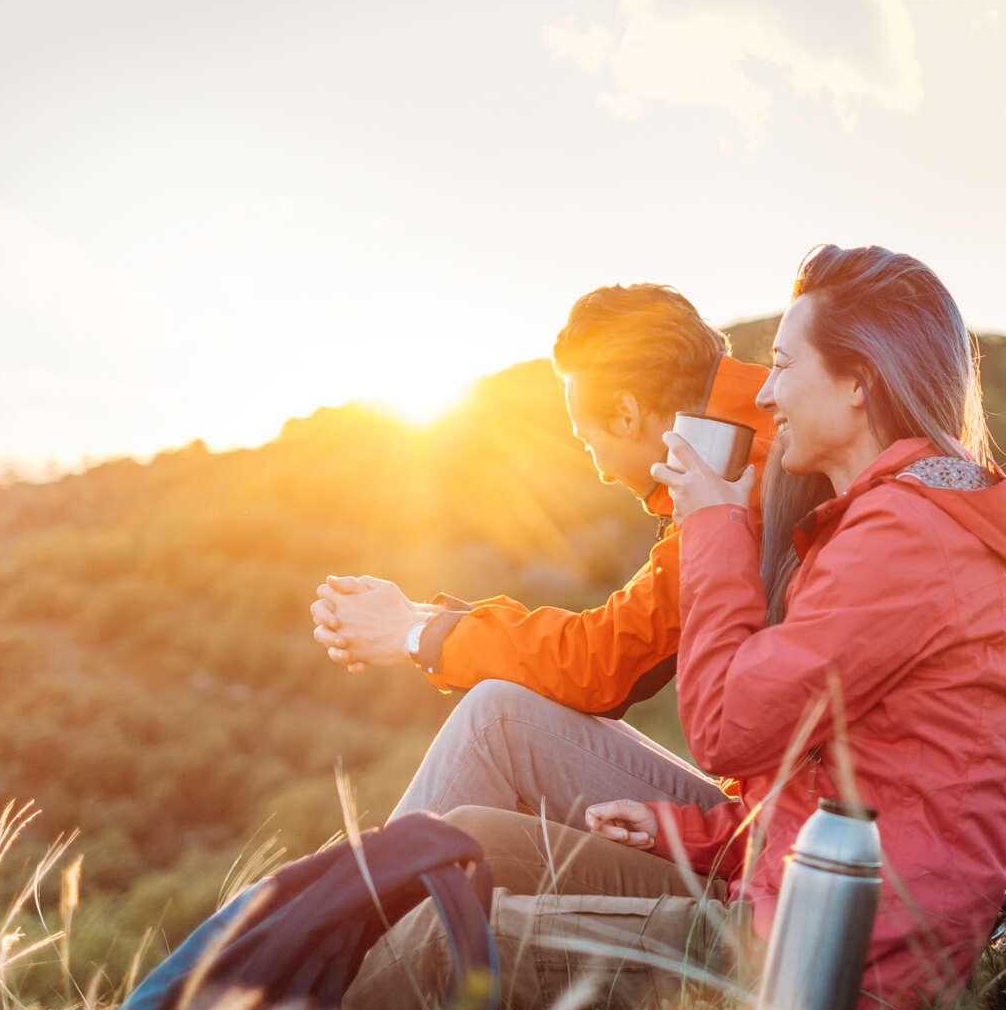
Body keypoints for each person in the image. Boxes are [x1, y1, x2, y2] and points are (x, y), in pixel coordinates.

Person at [333, 245, 1006, 1010]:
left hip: (822, 969)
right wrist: (677, 831)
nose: (764, 392)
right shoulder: (886, 514)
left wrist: (713, 525)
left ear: (860, 382)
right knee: (463, 845)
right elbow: (838, 779)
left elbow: (724, 724)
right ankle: (300, 955)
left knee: (435, 942)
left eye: (784, 365)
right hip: (794, 892)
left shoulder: (895, 534)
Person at [309, 283, 775, 828]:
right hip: (772, 813)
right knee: (497, 724)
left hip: (771, 835)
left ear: (627, 414)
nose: (600, 467)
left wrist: (417, 637)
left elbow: (601, 663)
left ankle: (357, 906)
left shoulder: (746, 478)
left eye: (586, 439)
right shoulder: (763, 437)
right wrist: (422, 619)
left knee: (495, 720)